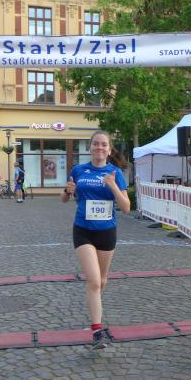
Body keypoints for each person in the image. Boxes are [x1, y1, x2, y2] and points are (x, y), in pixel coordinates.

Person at [61, 131, 130, 350]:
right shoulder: (78, 170)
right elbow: (64, 199)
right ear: (90, 148)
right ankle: (97, 330)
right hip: (83, 230)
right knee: (93, 281)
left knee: (102, 280)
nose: (99, 147)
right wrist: (67, 191)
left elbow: (126, 207)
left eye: (104, 144)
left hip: (106, 231)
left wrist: (113, 185)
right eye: (95, 144)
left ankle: (95, 308)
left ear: (109, 150)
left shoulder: (115, 173)